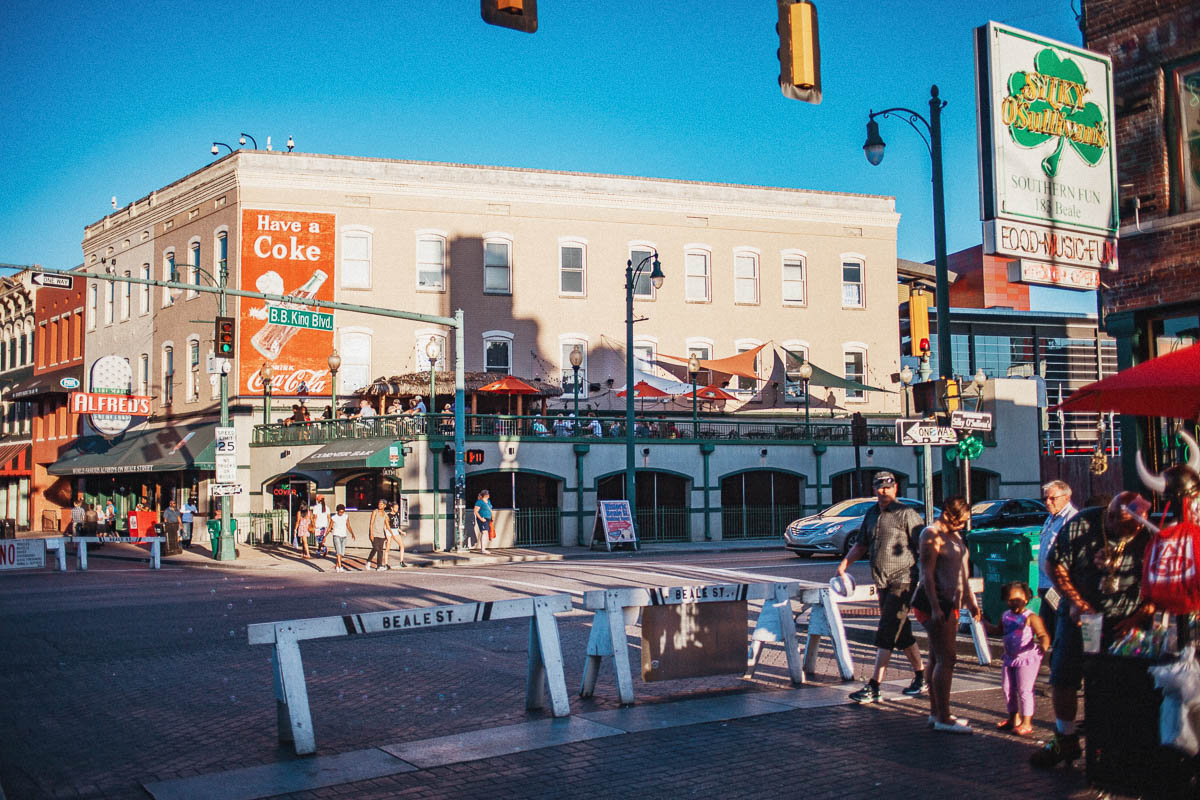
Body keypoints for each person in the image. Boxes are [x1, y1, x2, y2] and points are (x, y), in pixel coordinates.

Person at [1032, 491, 1155, 768]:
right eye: (1123, 524)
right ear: (1110, 515)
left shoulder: (1147, 535)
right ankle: (1065, 739)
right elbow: (1054, 565)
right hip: (1080, 614)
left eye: (1134, 526)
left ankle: (1119, 742)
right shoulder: (1083, 524)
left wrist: (1138, 617)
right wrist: (1075, 601)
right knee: (1064, 674)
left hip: (1125, 619)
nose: (1128, 531)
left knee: (1124, 679)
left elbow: (1160, 585)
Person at [837, 471, 928, 705]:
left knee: (887, 630)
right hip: (883, 580)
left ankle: (875, 684)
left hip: (903, 579)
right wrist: (844, 564)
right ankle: (921, 675)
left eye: (887, 487)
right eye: (879, 487)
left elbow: (923, 544)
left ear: (895, 488)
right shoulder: (871, 514)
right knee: (901, 631)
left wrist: (929, 574)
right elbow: (861, 544)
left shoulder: (906, 514)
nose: (883, 491)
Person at [913, 496, 981, 733]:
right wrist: (934, 607)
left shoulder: (955, 535)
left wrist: (971, 601)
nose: (963, 526)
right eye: (960, 521)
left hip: (951, 600)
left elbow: (962, 572)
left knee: (937, 656)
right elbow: (927, 574)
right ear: (949, 515)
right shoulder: (930, 535)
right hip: (937, 600)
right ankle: (944, 716)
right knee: (947, 658)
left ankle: (937, 713)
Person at [982, 581, 1050, 736]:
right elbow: (998, 630)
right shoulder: (1005, 616)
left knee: (1024, 690)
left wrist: (1044, 646)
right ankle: (1014, 717)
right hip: (1009, 658)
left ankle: (1027, 722)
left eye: (1017, 599)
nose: (1014, 603)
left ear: (1026, 599)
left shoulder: (1031, 617)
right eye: (1010, 600)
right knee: (1007, 688)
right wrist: (983, 622)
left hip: (1027, 658)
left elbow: (1042, 634)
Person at [1037, 480, 1077, 644]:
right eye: (1046, 499)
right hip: (1046, 584)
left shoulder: (1071, 519)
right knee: (1047, 629)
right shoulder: (1050, 519)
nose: (1048, 502)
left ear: (1066, 498)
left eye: (1052, 498)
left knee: (1059, 631)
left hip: (1059, 587)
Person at [328, 503, 356, 572]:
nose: (341, 513)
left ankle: (337, 566)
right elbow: (329, 527)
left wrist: (352, 533)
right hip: (336, 535)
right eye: (340, 512)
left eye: (342, 512)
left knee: (342, 553)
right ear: (337, 511)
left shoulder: (345, 516)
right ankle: (340, 566)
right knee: (338, 552)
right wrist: (325, 536)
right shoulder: (334, 517)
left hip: (344, 536)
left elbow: (348, 526)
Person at [365, 499, 390, 571]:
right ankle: (368, 561)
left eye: (381, 504)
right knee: (375, 548)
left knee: (380, 550)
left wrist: (388, 535)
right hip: (374, 533)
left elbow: (386, 525)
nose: (379, 505)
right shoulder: (375, 512)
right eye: (379, 504)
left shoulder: (385, 514)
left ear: (385, 506)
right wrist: (371, 533)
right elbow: (371, 523)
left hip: (381, 534)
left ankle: (379, 566)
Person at [384, 500, 407, 568]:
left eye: (398, 508)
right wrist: (386, 535)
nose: (397, 509)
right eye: (396, 508)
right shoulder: (388, 515)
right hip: (389, 531)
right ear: (392, 508)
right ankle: (386, 563)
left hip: (395, 531)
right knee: (388, 548)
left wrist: (401, 532)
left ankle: (401, 561)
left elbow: (396, 526)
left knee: (402, 545)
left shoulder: (397, 514)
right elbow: (385, 526)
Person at [473, 489, 493, 554]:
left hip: (488, 518)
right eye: (487, 494)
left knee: (486, 532)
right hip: (482, 518)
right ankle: (483, 549)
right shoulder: (479, 502)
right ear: (485, 495)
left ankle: (484, 548)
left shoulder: (488, 501)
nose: (488, 495)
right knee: (484, 532)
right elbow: (475, 511)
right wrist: (481, 518)